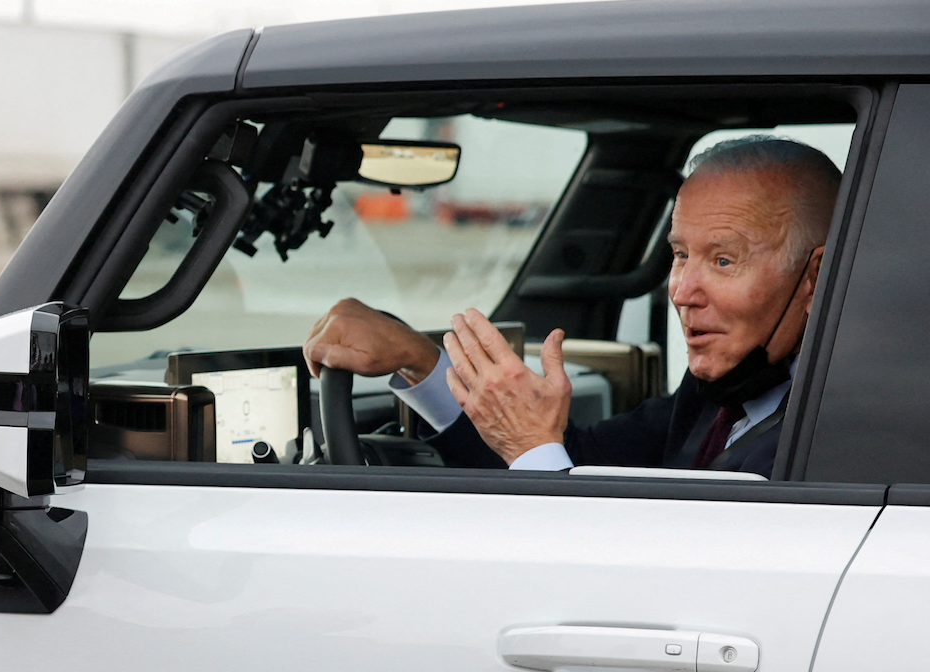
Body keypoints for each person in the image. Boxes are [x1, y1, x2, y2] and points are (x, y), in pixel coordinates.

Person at [302, 136, 842, 477]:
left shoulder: (832, 436)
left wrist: (533, 448)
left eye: (724, 261)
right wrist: (419, 360)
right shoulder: (721, 394)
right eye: (680, 255)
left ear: (815, 277)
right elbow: (577, 459)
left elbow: (644, 583)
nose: (681, 291)